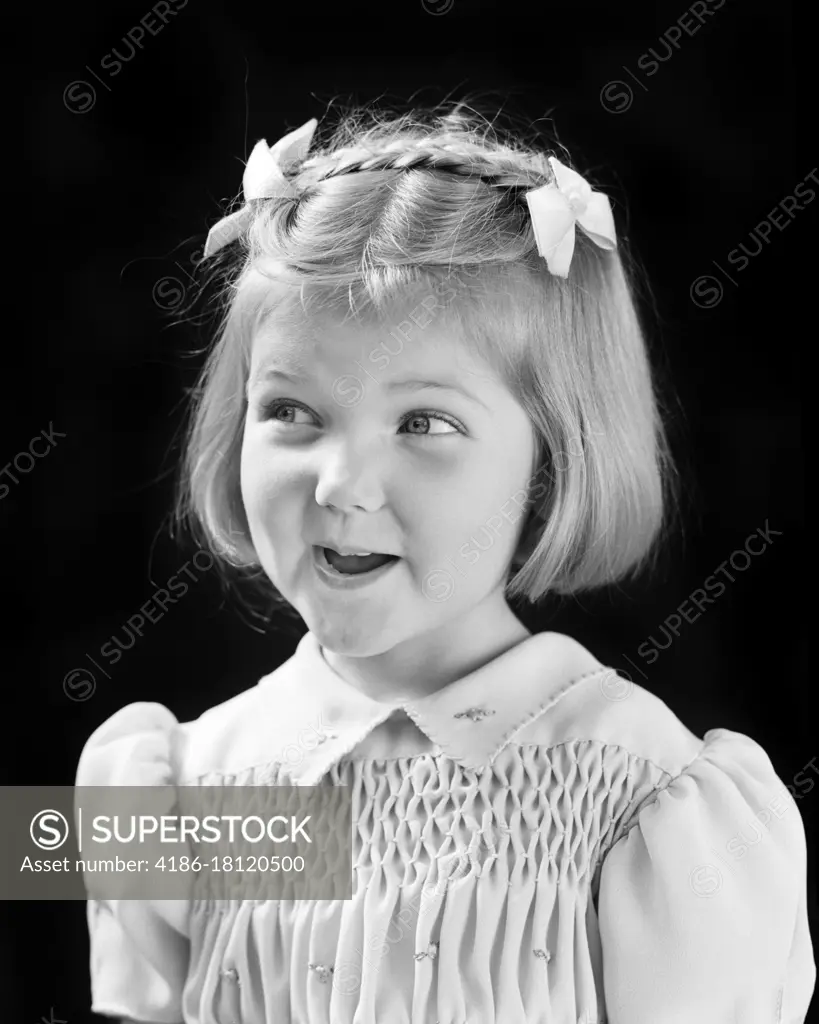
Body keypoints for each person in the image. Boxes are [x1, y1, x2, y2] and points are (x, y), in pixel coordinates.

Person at [75, 103, 815, 1023]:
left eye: (423, 423)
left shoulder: (648, 805)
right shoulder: (173, 791)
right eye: (291, 411)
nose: (342, 485)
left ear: (553, 457)